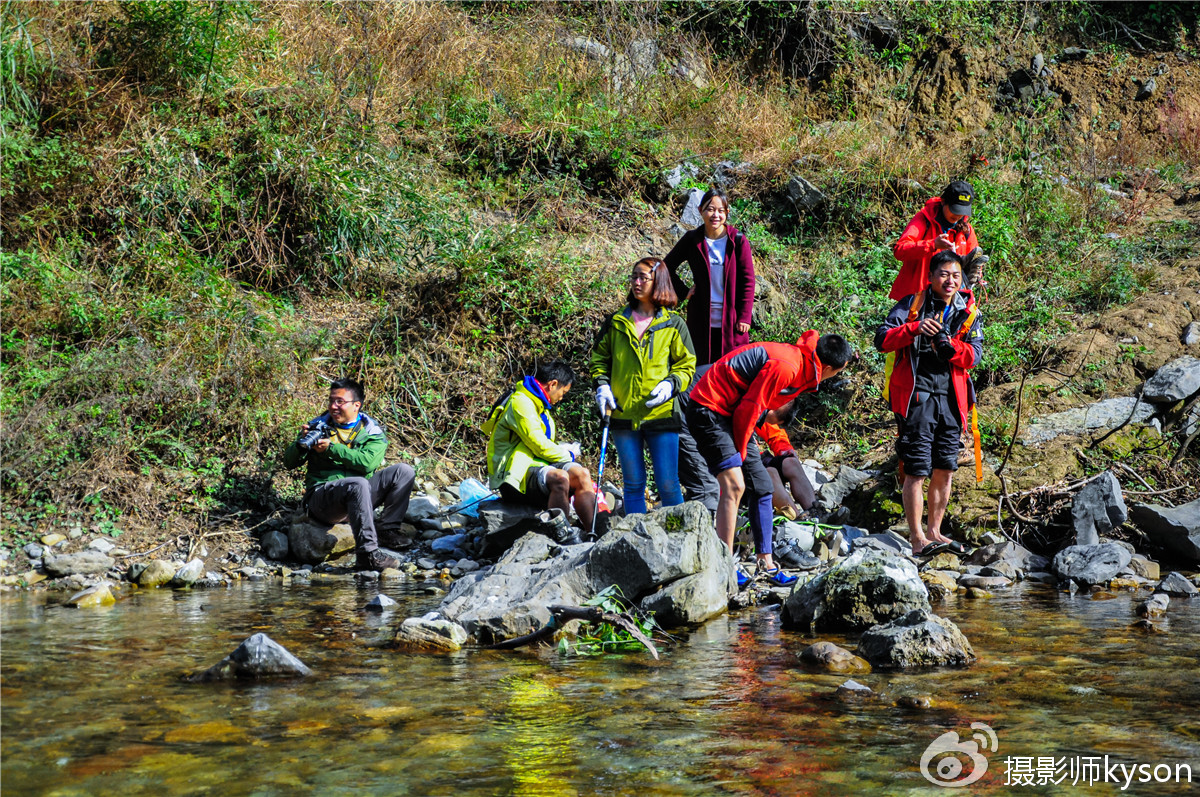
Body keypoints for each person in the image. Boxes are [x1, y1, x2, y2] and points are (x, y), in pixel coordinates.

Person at [687, 333, 854, 588]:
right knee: (734, 486)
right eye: (838, 372)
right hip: (710, 407)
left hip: (735, 415)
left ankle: (767, 563)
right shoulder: (787, 366)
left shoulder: (802, 366)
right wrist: (741, 454)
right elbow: (749, 409)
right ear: (829, 368)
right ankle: (725, 565)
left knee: (763, 487)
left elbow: (753, 411)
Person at [875, 251, 983, 556]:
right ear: (931, 277)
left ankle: (935, 531)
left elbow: (975, 355)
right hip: (917, 395)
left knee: (945, 468)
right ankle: (917, 536)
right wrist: (913, 329)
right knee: (916, 469)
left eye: (956, 276)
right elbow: (881, 339)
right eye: (944, 275)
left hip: (951, 398)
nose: (950, 281)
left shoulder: (968, 310)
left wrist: (950, 348)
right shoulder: (912, 305)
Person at [590, 257, 696, 516]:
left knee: (669, 483)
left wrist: (671, 385)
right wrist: (602, 386)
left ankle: (678, 538)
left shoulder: (673, 324)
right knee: (634, 484)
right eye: (634, 277)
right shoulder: (616, 322)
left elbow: (687, 365)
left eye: (643, 278)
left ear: (658, 281)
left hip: (661, 414)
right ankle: (635, 540)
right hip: (623, 412)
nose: (637, 283)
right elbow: (599, 360)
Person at [282, 377, 415, 572]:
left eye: (340, 402)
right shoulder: (317, 427)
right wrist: (301, 443)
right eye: (331, 401)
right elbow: (289, 462)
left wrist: (331, 450)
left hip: (359, 498)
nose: (333, 406)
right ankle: (367, 555)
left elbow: (367, 463)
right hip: (322, 499)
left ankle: (387, 530)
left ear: (356, 405)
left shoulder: (372, 432)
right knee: (358, 484)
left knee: (404, 471)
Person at [483, 360, 598, 543]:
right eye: (563, 392)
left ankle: (593, 533)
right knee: (560, 478)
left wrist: (563, 451)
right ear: (552, 384)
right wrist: (568, 455)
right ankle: (562, 535)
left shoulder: (540, 404)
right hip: (513, 473)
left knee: (582, 474)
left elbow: (542, 444)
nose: (561, 397)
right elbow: (539, 444)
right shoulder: (521, 403)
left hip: (536, 464)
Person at [664, 188, 755, 365]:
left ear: (727, 213)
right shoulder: (692, 239)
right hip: (701, 316)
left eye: (721, 211)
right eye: (710, 209)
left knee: (729, 368)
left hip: (731, 319)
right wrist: (683, 292)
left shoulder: (737, 240)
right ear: (700, 210)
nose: (716, 215)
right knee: (700, 365)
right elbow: (666, 267)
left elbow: (748, 280)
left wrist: (744, 316)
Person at [891, 180, 988, 300]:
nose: (958, 216)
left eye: (962, 212)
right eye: (954, 210)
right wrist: (933, 244)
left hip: (949, 300)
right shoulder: (924, 219)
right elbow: (900, 250)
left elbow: (975, 259)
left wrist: (974, 271)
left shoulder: (966, 230)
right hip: (915, 298)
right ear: (943, 202)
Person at [755, 407, 817, 520]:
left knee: (791, 463)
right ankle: (798, 519)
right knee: (770, 472)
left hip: (755, 457)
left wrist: (786, 450)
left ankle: (815, 512)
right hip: (739, 466)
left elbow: (773, 432)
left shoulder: (751, 406)